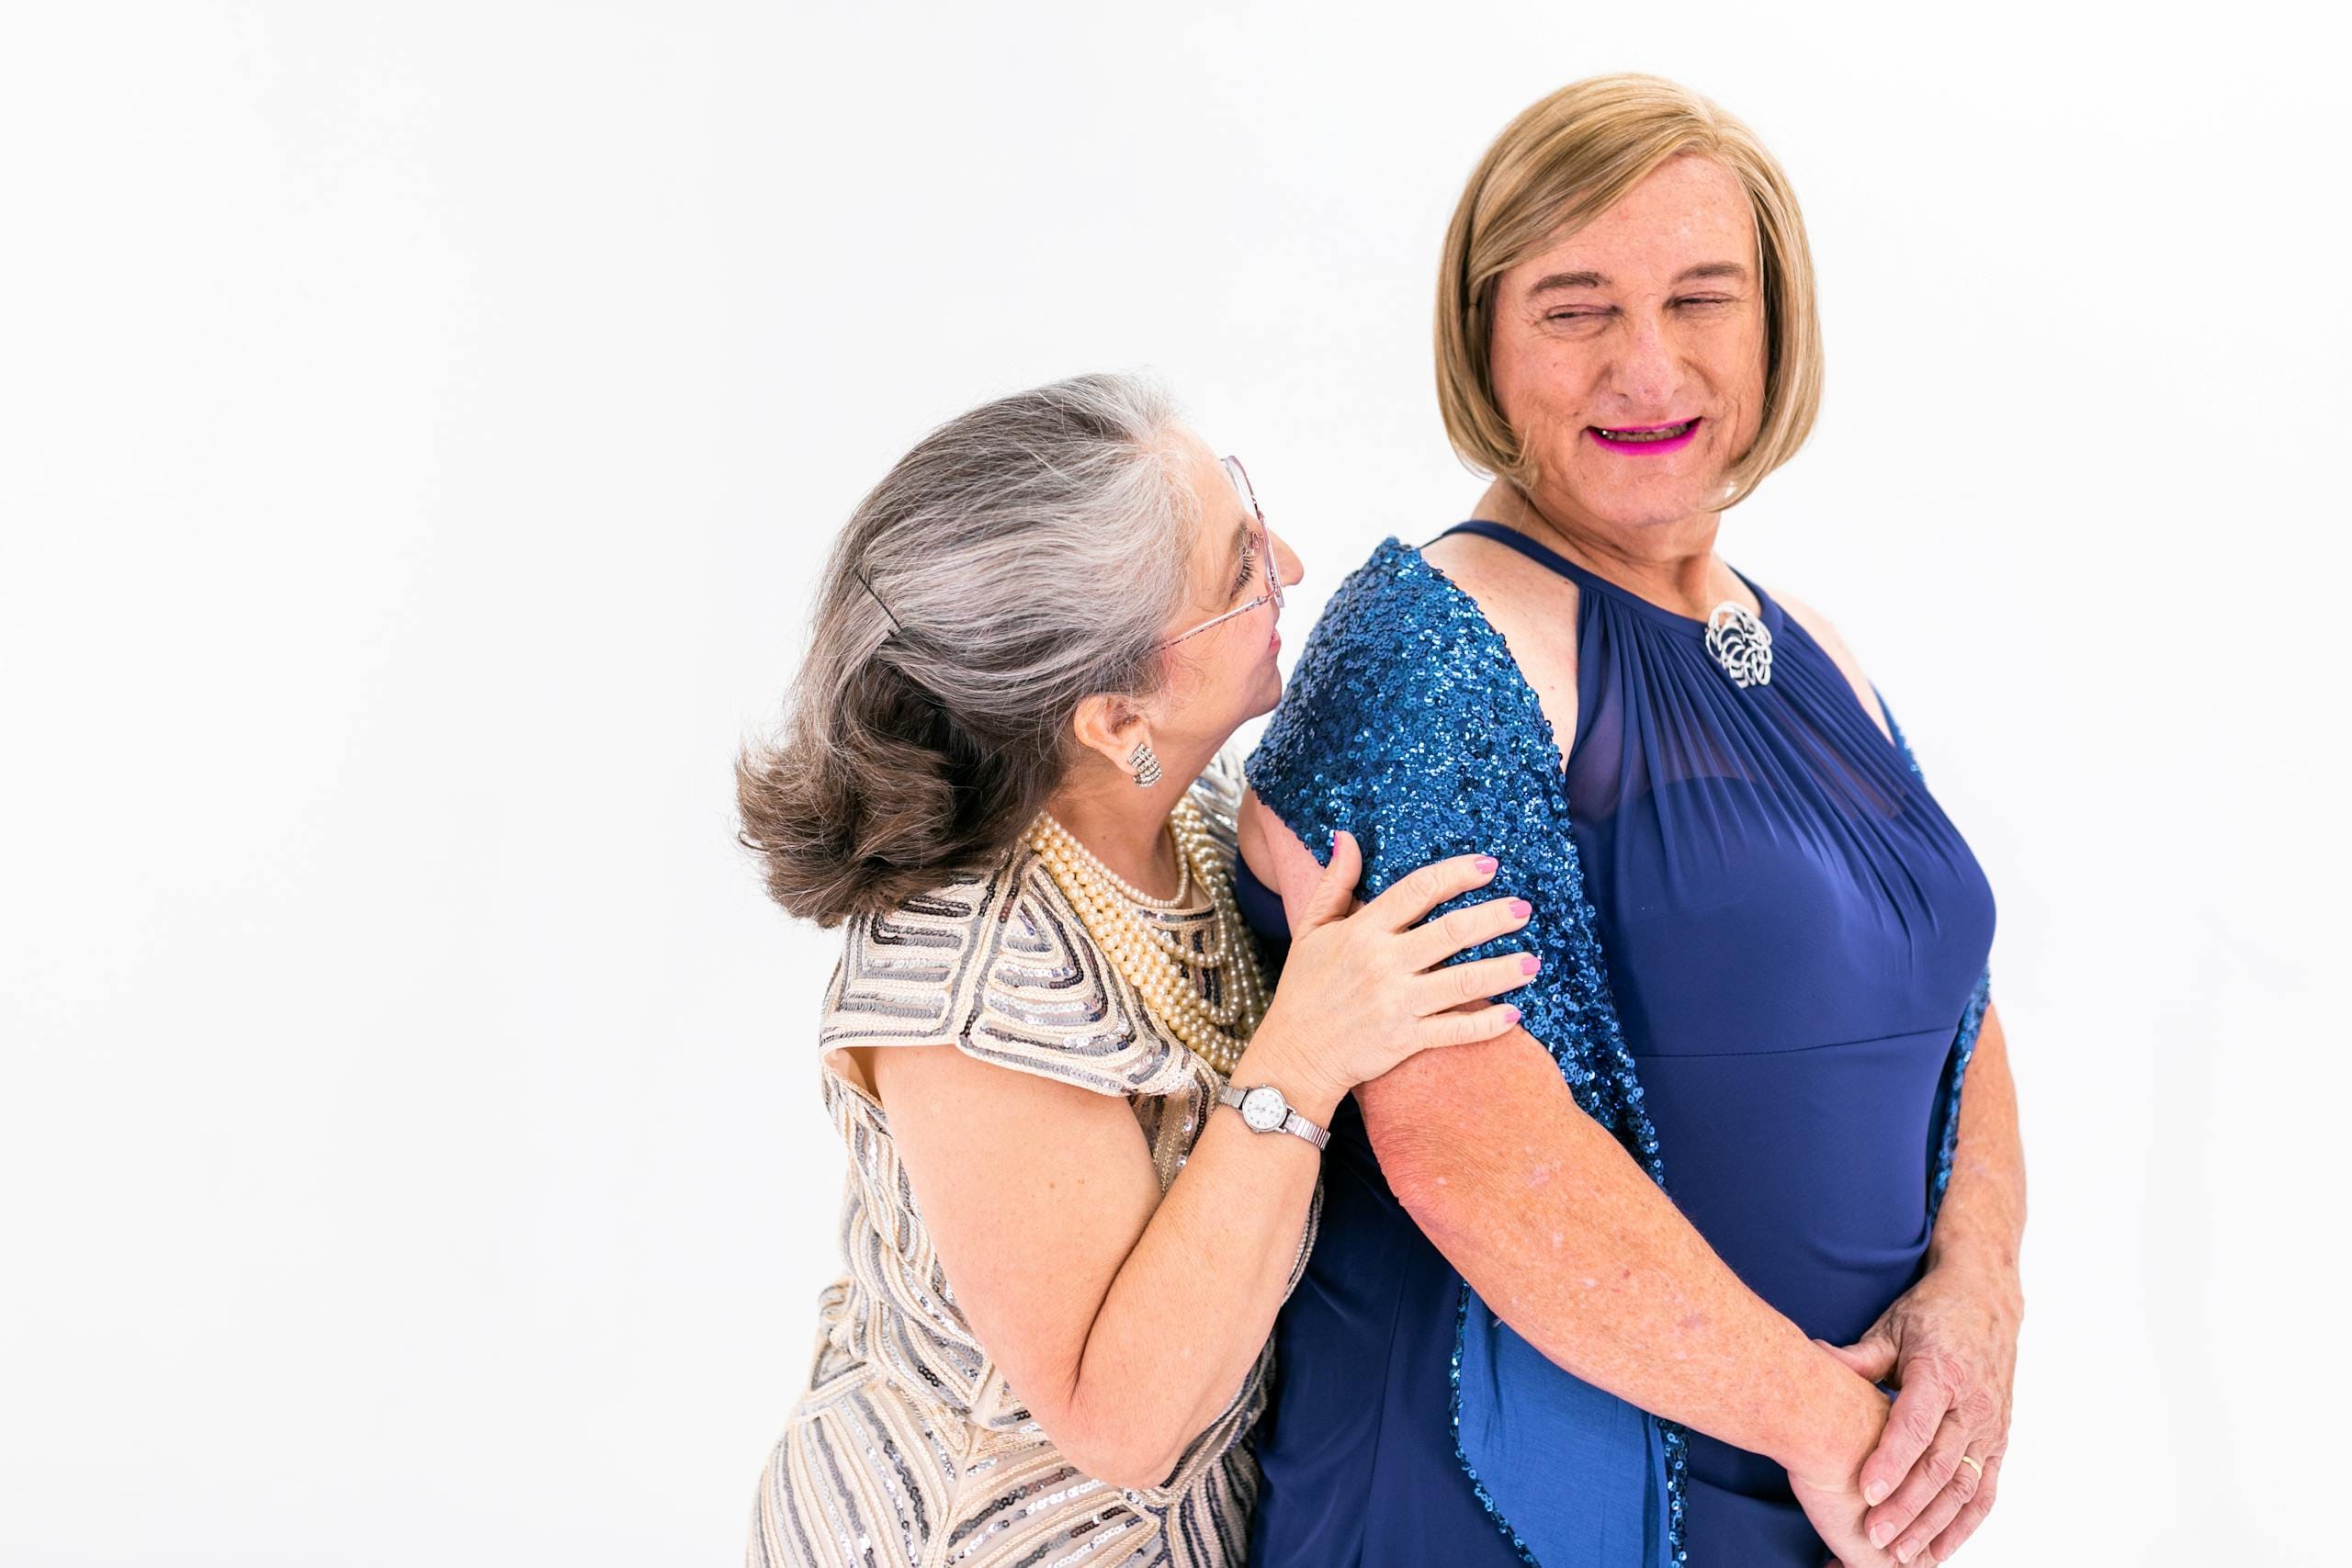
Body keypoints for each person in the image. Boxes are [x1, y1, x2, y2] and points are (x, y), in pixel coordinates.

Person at [1235, 75, 2026, 1567]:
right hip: (1516, 1501)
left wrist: (1980, 1293)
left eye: (1701, 298)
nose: (1649, 366)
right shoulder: (1426, 641)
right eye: (1575, 307)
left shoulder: (1811, 643)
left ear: (1774, 325)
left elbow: (1957, 1001)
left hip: (1833, 1491)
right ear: (1482, 338)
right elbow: (1463, 1137)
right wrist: (1825, 1426)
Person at [734, 373, 1545, 1567]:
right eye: (1238, 570)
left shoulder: (1187, 822)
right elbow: (1126, 1421)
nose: (1294, 564)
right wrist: (1304, 1057)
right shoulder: (969, 979)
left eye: (1249, 513)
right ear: (1117, 719)